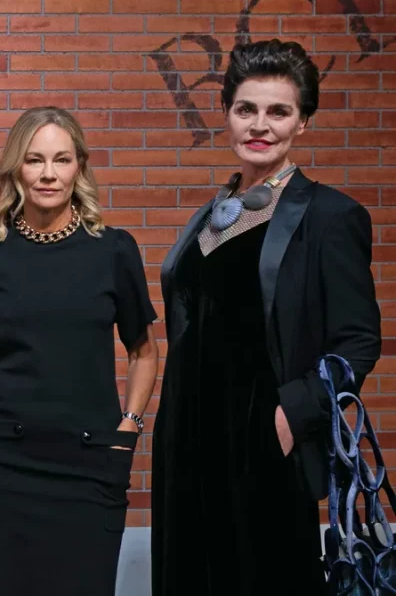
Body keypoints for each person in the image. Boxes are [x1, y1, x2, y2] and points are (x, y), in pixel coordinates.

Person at [151, 39, 382, 596]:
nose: (260, 125)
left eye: (278, 111)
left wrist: (292, 413)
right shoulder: (209, 214)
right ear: (227, 114)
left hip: (264, 440)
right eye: (246, 109)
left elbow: (358, 341)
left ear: (302, 122)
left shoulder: (330, 216)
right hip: (187, 437)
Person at [0, 106, 159, 596]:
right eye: (34, 160)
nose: (47, 174)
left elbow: (144, 351)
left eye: (61, 160)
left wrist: (130, 426)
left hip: (89, 464)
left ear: (79, 166)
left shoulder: (114, 250)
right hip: (2, 464)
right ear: (15, 168)